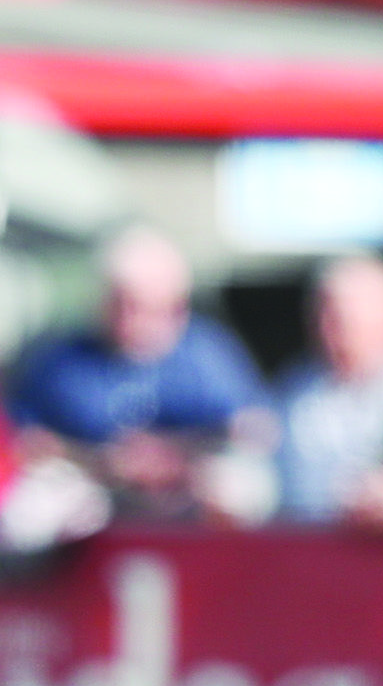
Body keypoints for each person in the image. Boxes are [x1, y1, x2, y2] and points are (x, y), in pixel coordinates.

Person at [9, 224, 273, 524]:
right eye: (118, 302)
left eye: (140, 305)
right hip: (94, 486)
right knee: (29, 513)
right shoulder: (64, 359)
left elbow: (256, 429)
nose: (128, 317)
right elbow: (27, 440)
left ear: (175, 305)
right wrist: (98, 458)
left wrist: (176, 453)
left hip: (188, 484)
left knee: (240, 488)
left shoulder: (206, 353)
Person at [273, 253, 383, 525]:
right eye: (321, 317)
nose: (327, 331)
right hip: (320, 555)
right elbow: (284, 488)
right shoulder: (295, 391)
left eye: (341, 320)